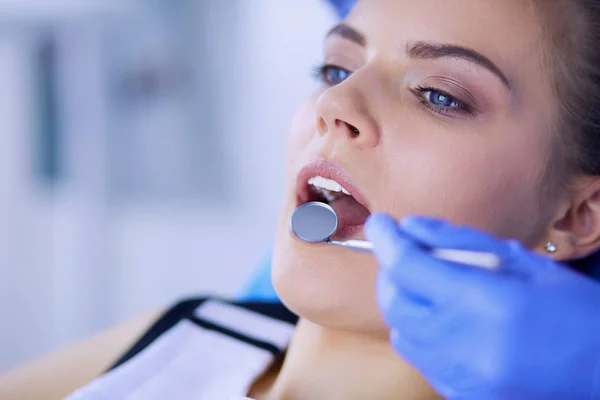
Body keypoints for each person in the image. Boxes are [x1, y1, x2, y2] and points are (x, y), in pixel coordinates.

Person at [2, 0, 600, 398]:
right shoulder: (188, 332)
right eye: (335, 70)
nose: (334, 106)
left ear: (576, 215)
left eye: (439, 96)